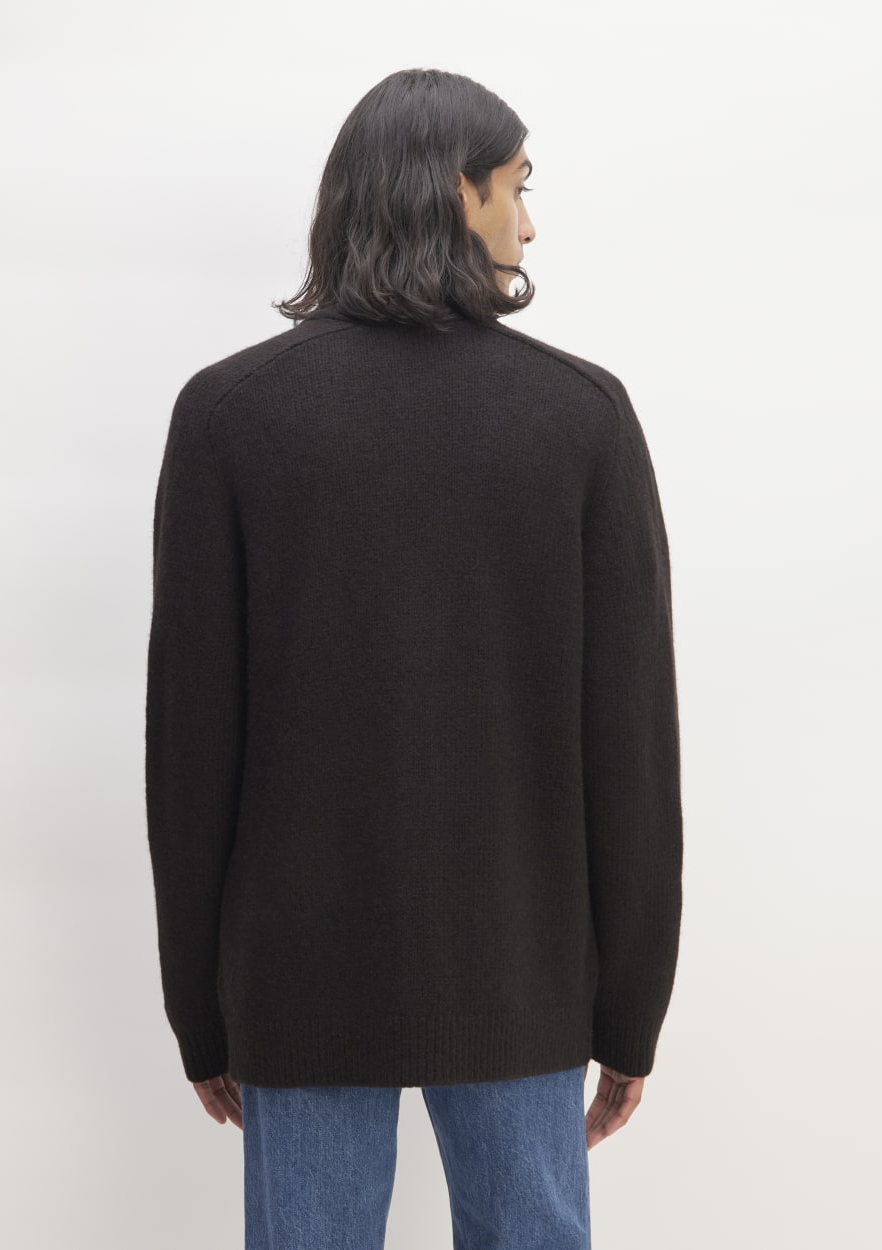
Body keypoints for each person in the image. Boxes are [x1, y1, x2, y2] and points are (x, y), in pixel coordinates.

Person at [145, 66, 683, 1250]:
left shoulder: (231, 414)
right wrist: (630, 1005)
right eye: (516, 187)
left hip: (295, 976)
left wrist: (201, 1007)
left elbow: (190, 750)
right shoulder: (580, 417)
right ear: (456, 189)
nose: (528, 222)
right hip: (521, 969)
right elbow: (631, 748)